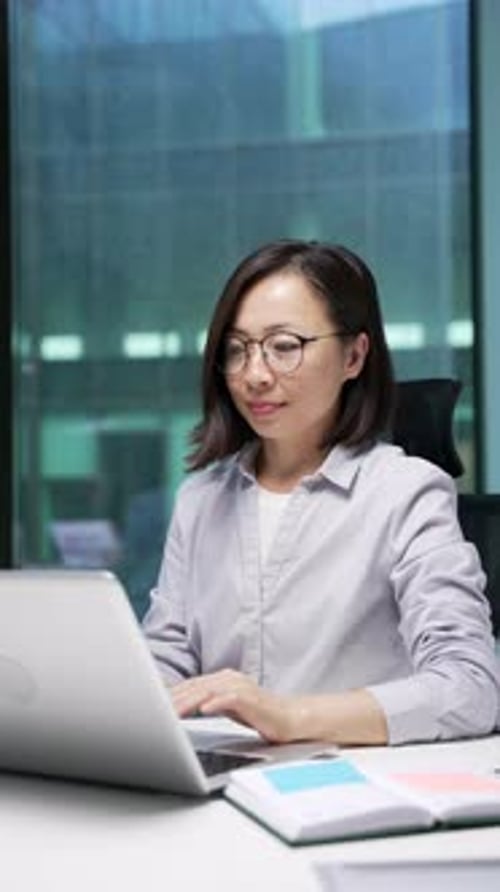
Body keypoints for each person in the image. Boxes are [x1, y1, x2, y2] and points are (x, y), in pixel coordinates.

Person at [142, 239, 500, 746]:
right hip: (222, 786)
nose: (255, 374)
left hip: (353, 785)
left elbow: (471, 689)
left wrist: (289, 717)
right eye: (237, 349)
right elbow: (168, 660)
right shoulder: (201, 499)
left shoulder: (406, 494)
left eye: (285, 346)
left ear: (354, 356)